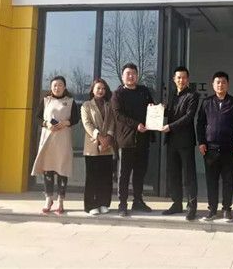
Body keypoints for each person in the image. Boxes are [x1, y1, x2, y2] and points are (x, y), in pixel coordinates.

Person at [196, 71, 233, 222]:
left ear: (228, 84)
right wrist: (201, 142)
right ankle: (212, 209)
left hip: (229, 148)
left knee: (228, 180)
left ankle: (226, 209)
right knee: (211, 180)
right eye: (217, 82)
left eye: (223, 82)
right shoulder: (206, 103)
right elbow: (200, 124)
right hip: (210, 149)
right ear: (213, 84)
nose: (220, 85)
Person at [31, 75, 80, 214]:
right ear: (51, 87)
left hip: (63, 139)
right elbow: (37, 117)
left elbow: (76, 118)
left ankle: (61, 200)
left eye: (60, 85)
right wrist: (46, 124)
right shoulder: (46, 100)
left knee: (62, 169)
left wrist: (65, 123)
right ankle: (48, 199)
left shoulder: (70, 101)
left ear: (65, 87)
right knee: (48, 169)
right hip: (48, 139)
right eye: (54, 85)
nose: (57, 88)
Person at [111, 63, 154, 217]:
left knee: (140, 172)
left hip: (143, 138)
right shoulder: (118, 94)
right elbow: (118, 115)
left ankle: (138, 201)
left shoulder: (144, 91)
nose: (131, 76)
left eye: (133, 73)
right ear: (123, 76)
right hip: (126, 139)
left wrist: (155, 109)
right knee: (124, 173)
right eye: (128, 73)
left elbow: (151, 108)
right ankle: (122, 203)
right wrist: (136, 125)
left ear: (137, 75)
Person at [160, 66, 200, 221]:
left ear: (188, 79)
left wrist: (170, 126)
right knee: (174, 174)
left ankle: (192, 207)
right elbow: (169, 112)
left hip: (185, 141)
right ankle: (176, 204)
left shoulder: (193, 95)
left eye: (184, 77)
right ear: (174, 79)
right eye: (178, 77)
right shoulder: (172, 95)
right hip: (171, 141)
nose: (181, 80)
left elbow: (189, 117)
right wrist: (156, 110)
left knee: (189, 175)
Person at [80, 78, 116, 216]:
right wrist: (100, 138)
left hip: (107, 145)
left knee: (106, 177)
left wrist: (108, 138)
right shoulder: (86, 105)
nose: (101, 91)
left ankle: (103, 203)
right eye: (98, 88)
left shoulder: (109, 105)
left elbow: (112, 122)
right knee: (92, 177)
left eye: (103, 88)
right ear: (93, 90)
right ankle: (91, 205)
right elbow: (87, 124)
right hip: (93, 145)